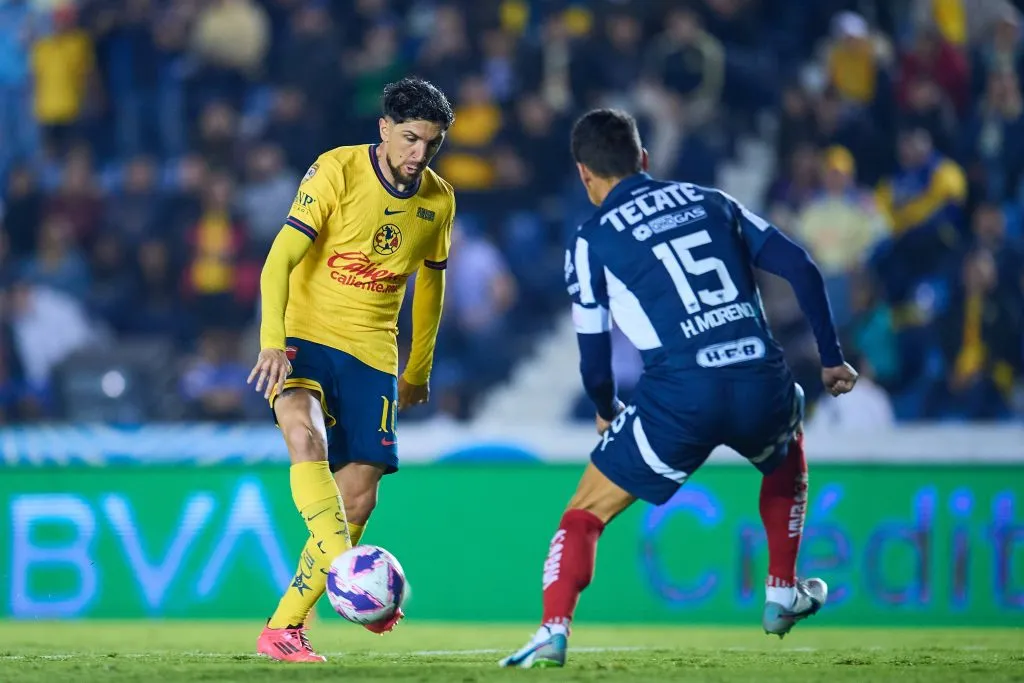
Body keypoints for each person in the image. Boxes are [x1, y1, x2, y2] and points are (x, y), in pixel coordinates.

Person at [500, 110, 858, 669]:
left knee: (585, 514)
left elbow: (594, 360)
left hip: (680, 396)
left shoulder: (592, 239)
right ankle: (782, 589)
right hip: (760, 377)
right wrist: (832, 360)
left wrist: (605, 409)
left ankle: (553, 630)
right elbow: (803, 268)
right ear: (643, 159)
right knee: (786, 451)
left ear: (584, 175)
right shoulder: (712, 200)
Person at [248, 77, 456, 663]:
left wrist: (419, 369)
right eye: (411, 138)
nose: (419, 155)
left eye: (431, 144)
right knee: (303, 434)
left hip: (372, 354)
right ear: (384, 128)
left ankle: (283, 628)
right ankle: (354, 577)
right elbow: (279, 258)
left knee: (359, 500)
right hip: (303, 338)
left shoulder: (438, 201)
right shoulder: (335, 170)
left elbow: (431, 290)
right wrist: (270, 342)